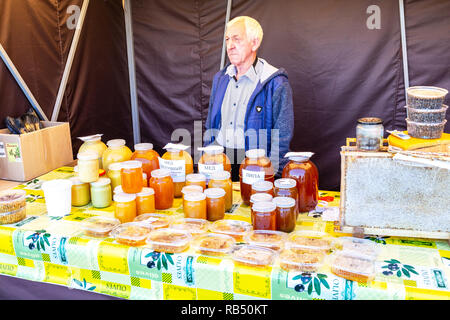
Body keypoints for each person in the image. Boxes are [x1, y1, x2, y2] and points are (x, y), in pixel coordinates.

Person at [204, 16, 294, 181]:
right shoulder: (220, 78)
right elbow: (211, 123)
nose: (229, 46)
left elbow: (282, 134)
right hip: (220, 162)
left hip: (255, 165)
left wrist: (272, 174)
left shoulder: (275, 82)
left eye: (236, 39)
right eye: (227, 39)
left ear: (255, 43)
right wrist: (208, 157)